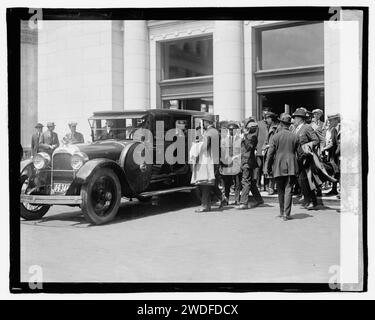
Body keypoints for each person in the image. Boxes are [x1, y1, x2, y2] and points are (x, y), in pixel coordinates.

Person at [265, 114, 299, 221]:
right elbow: (299, 153)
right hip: (292, 165)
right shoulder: (295, 136)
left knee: (280, 190)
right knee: (289, 189)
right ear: (289, 125)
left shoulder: (276, 136)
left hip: (278, 165)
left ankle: (281, 211)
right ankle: (286, 214)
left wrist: (268, 167)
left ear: (280, 123)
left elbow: (270, 154)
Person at [191, 116, 223, 212]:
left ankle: (205, 205)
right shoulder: (216, 131)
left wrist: (197, 154)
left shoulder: (209, 132)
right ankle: (222, 198)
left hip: (210, 160)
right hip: (215, 159)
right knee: (211, 182)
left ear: (206, 122)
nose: (203, 124)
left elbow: (205, 146)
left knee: (205, 183)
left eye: (203, 122)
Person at [291, 108, 321, 210]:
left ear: (300, 119)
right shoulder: (295, 129)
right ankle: (307, 201)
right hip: (298, 158)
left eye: (295, 117)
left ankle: (312, 201)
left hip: (306, 158)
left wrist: (307, 147)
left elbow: (316, 140)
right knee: (301, 181)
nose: (294, 119)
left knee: (308, 180)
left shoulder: (307, 127)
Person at [237, 119, 264, 209]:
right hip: (246, 161)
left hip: (247, 162)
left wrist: (244, 136)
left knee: (245, 181)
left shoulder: (252, 137)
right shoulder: (248, 136)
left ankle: (244, 202)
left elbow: (249, 147)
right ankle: (259, 200)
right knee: (251, 182)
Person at [220, 121, 242, 205]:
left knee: (237, 183)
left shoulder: (240, 140)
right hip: (227, 164)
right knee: (227, 183)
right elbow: (222, 152)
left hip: (236, 163)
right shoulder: (224, 140)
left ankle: (237, 199)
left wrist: (237, 157)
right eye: (230, 130)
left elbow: (242, 151)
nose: (232, 131)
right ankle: (226, 199)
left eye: (233, 130)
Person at [321, 113, 341, 196]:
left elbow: (332, 143)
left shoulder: (334, 130)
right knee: (335, 172)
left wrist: (324, 149)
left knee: (336, 172)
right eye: (328, 121)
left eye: (330, 120)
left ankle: (335, 189)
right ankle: (334, 189)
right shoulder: (331, 130)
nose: (329, 122)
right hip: (332, 154)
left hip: (334, 155)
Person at [262, 111, 279, 195]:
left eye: (267, 118)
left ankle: (271, 187)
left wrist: (268, 145)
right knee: (268, 169)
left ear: (272, 119)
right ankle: (269, 187)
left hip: (273, 151)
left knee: (271, 168)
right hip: (268, 150)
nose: (266, 120)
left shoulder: (275, 128)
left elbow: (273, 141)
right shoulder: (269, 127)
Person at [256, 108, 270, 191]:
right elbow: (255, 136)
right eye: (264, 113)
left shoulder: (271, 124)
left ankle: (266, 185)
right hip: (259, 149)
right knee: (258, 168)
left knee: (267, 167)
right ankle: (258, 184)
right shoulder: (258, 124)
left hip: (267, 149)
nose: (265, 115)